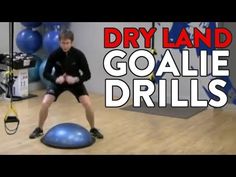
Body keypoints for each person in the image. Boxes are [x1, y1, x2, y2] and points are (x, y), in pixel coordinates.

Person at [29, 30, 103, 139]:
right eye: (63, 43)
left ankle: (93, 129)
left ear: (71, 42)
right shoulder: (54, 54)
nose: (65, 45)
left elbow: (87, 74)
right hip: (59, 83)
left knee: (87, 103)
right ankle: (39, 129)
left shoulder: (79, 54)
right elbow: (46, 73)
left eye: (67, 43)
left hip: (75, 82)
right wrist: (55, 79)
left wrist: (76, 79)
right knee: (45, 102)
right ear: (59, 42)